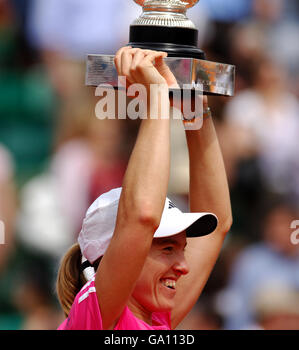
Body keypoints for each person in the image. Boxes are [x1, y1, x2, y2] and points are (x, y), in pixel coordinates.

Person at [56, 47, 232, 330]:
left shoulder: (156, 316)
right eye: (167, 248)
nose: (184, 266)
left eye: (182, 248)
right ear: (112, 253)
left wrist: (193, 110)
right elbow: (141, 217)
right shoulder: (91, 318)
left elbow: (217, 222)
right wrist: (157, 99)